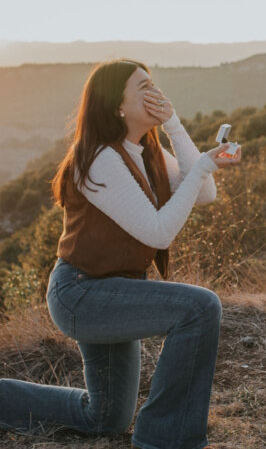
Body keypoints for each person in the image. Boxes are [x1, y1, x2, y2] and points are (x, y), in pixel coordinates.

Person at [0, 59, 241, 449]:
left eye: (155, 84)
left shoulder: (147, 150)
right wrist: (204, 167)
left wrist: (174, 125)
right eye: (143, 87)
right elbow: (159, 233)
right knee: (199, 308)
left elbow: (206, 194)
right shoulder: (98, 158)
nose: (156, 93)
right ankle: (165, 440)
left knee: (105, 417)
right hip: (82, 294)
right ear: (117, 106)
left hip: (117, 289)